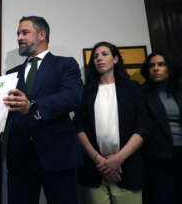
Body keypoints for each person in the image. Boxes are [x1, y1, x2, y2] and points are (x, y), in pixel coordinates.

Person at [3, 16, 83, 204]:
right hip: (20, 158)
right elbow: (5, 111)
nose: (19, 38)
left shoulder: (65, 64)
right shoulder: (10, 74)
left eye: (24, 32)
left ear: (41, 35)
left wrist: (33, 107)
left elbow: (73, 97)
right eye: (17, 34)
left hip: (58, 155)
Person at [75, 41, 149, 204]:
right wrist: (99, 161)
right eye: (95, 56)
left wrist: (118, 159)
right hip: (94, 171)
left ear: (115, 59)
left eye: (104, 54)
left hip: (128, 169)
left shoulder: (132, 88)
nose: (99, 58)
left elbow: (143, 127)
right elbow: (79, 128)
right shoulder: (86, 91)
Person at [141, 51, 182, 204]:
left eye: (161, 64)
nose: (156, 68)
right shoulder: (142, 94)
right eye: (152, 65)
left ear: (169, 68)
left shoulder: (179, 90)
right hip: (159, 156)